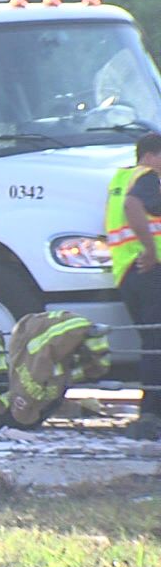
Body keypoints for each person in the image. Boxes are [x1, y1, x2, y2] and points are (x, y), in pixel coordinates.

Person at [106, 131, 161, 438]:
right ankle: (151, 416)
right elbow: (133, 206)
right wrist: (151, 251)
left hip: (127, 273)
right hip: (148, 270)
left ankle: (152, 412)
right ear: (151, 155)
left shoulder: (119, 178)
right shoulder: (147, 177)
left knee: (152, 343)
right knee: (156, 343)